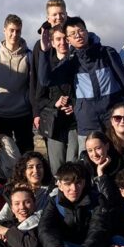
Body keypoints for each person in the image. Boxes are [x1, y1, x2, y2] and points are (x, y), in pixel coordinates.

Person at [38, 16, 124, 152]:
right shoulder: (70, 62)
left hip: (113, 119)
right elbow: (46, 80)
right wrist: (44, 52)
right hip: (87, 121)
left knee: (120, 155)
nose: (78, 35)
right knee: (88, 159)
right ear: (68, 40)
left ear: (87, 31)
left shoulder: (107, 53)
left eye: (81, 31)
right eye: (72, 34)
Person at [0, 14, 33, 155]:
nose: (14, 34)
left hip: (23, 114)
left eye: (18, 31)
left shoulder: (29, 56)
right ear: (4, 30)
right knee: (3, 155)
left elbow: (33, 86)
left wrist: (29, 106)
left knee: (26, 155)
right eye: (11, 30)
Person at [36, 23, 78, 174]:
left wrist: (74, 105)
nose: (62, 42)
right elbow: (39, 98)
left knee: (74, 165)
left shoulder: (77, 63)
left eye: (65, 38)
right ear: (52, 43)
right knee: (57, 168)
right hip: (54, 124)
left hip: (75, 122)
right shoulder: (46, 66)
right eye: (58, 39)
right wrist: (55, 103)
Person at [29, 0, 69, 134]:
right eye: (54, 14)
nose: (58, 17)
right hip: (47, 107)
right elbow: (35, 80)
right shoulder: (39, 45)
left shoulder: (73, 40)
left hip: (72, 108)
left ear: (66, 14)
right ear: (48, 18)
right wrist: (36, 112)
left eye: (61, 13)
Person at [81, 131, 123, 205]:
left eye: (98, 148)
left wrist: (100, 173)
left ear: (107, 146)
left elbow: (108, 200)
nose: (94, 154)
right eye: (90, 150)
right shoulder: (82, 166)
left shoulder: (119, 165)